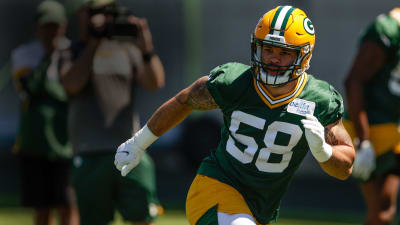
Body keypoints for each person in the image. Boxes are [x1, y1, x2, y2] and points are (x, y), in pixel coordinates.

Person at [115, 5, 355, 225]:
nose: (273, 58)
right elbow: (184, 100)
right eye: (267, 49)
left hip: (261, 207)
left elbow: (345, 168)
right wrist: (138, 143)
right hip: (215, 187)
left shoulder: (319, 99)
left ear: (304, 56)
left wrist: (325, 152)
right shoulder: (235, 82)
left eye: (284, 53)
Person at [60, 0, 165, 225]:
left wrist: (146, 48)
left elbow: (155, 82)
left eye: (109, 12)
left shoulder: (128, 50)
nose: (105, 18)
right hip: (90, 154)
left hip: (130, 148)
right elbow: (71, 84)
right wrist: (94, 43)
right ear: (82, 15)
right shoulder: (70, 51)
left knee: (142, 218)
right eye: (98, 12)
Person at [11, 1, 79, 225]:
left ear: (63, 26)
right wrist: (49, 56)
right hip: (34, 143)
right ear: (37, 27)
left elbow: (72, 92)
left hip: (65, 143)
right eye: (46, 26)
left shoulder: (73, 52)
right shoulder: (23, 54)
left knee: (68, 202)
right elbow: (31, 88)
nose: (50, 32)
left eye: (55, 26)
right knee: (41, 206)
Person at [344, 7, 400, 225]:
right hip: (372, 130)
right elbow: (354, 81)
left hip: (395, 130)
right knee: (380, 212)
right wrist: (364, 141)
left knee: (385, 211)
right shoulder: (388, 30)